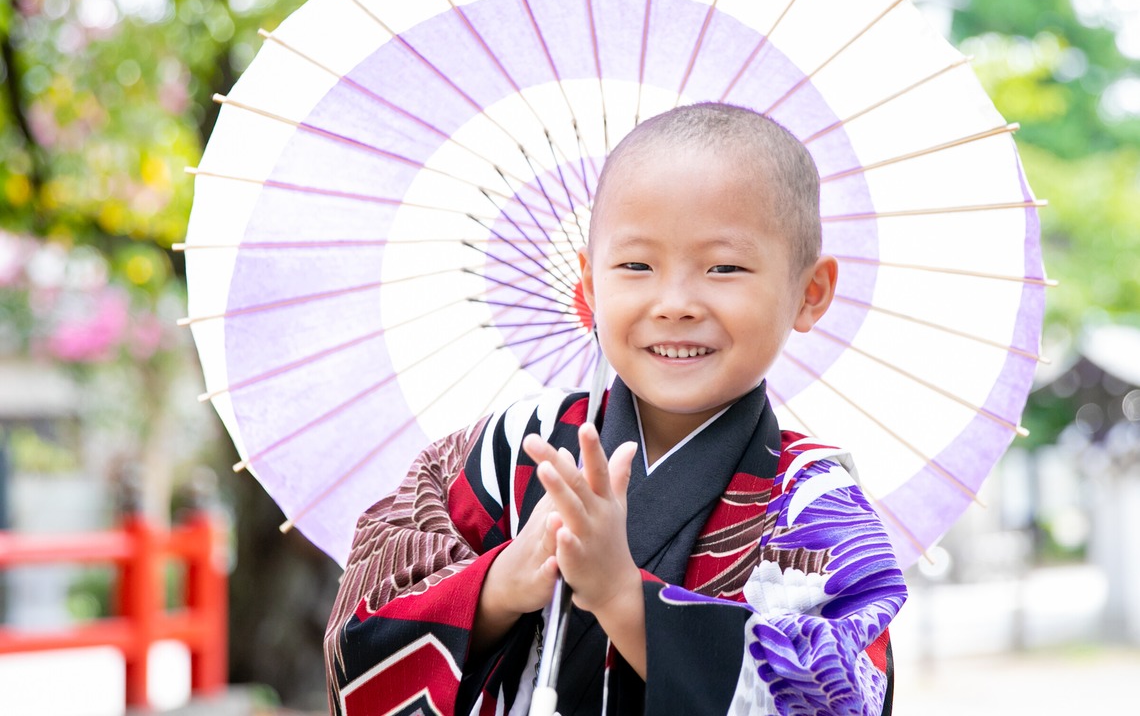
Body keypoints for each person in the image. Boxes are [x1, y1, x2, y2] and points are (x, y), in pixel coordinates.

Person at [323, 103, 907, 716]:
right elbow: (357, 637)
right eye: (636, 265)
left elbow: (842, 696)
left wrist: (625, 598)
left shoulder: (814, 500)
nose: (675, 302)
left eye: (724, 267)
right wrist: (501, 583)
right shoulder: (514, 451)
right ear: (590, 286)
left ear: (809, 293)